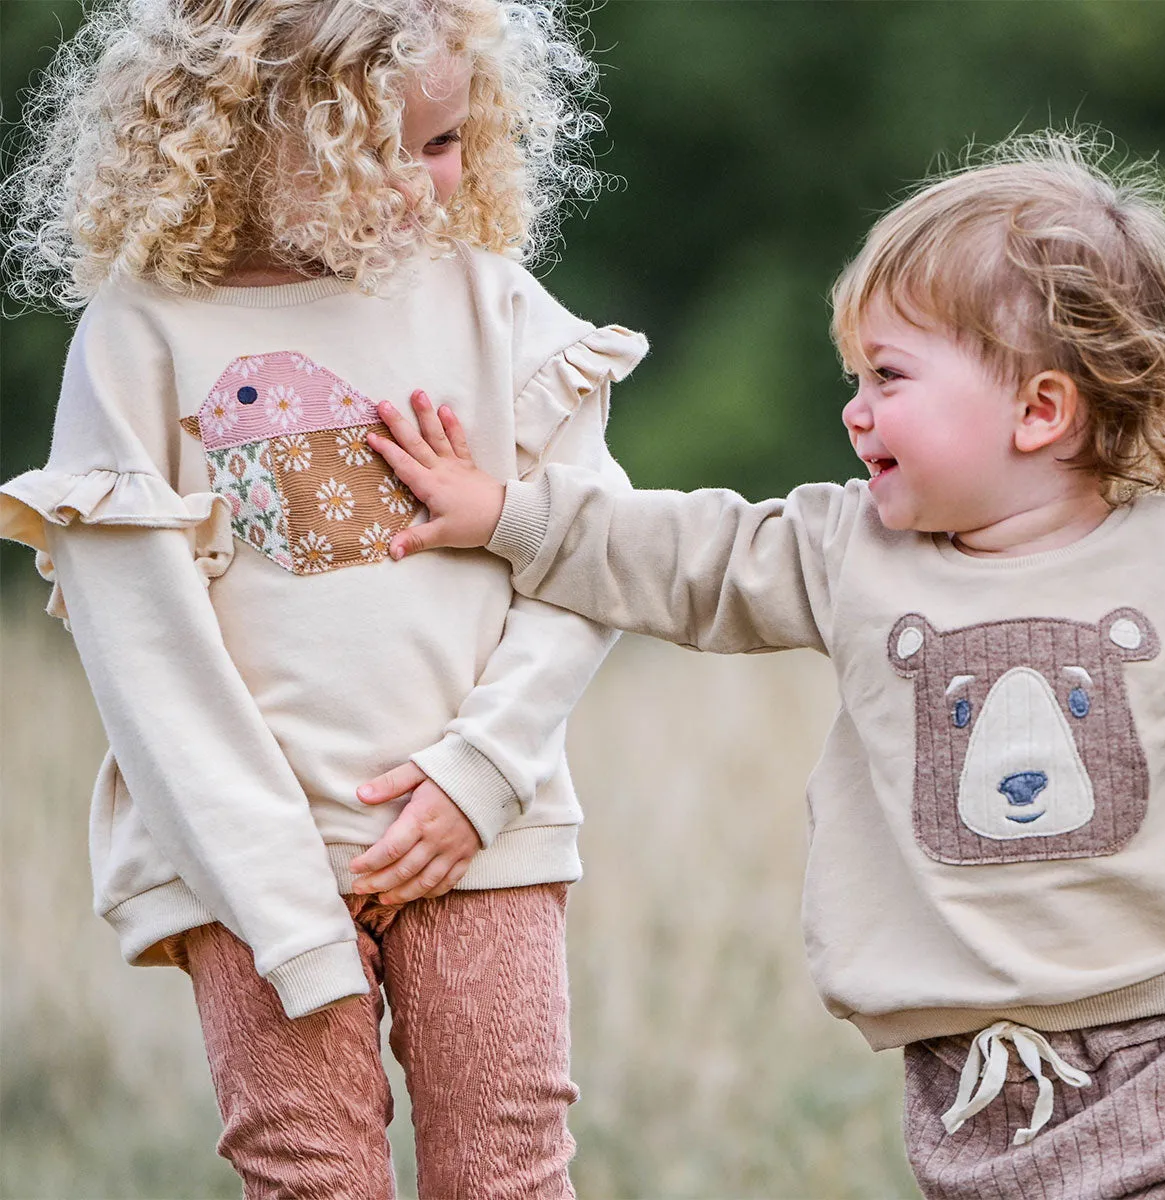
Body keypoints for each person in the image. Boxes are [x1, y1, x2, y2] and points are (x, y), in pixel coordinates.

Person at [366, 131, 1165, 1198]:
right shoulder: (850, 553)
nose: (854, 409)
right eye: (854, 376)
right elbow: (688, 557)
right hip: (972, 1072)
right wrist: (508, 514)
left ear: (1041, 408)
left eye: (888, 376)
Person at [0, 1, 647, 1195]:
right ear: (238, 133)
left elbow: (592, 557)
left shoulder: (491, 304)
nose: (421, 186)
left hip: (479, 837)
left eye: (446, 142)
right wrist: (282, 903)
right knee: (307, 1176)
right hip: (250, 863)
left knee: (508, 1169)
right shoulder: (138, 338)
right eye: (377, 148)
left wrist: (481, 772)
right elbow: (147, 661)